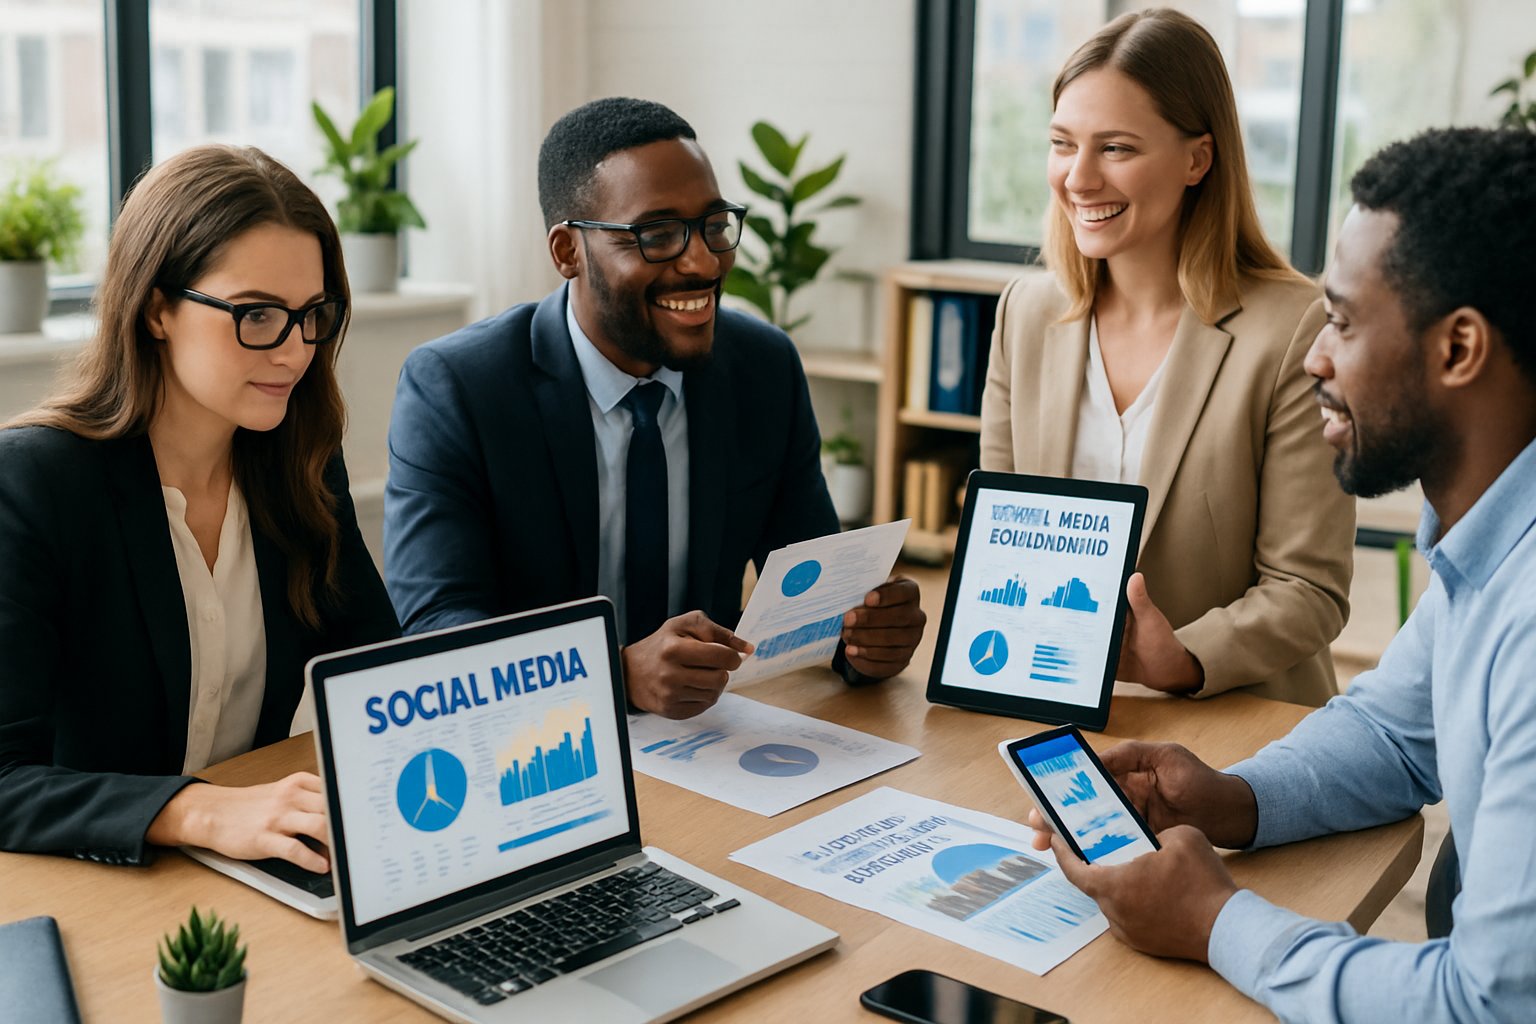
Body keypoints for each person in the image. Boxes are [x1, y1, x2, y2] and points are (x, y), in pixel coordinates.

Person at [1029, 126, 1536, 1021]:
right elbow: (1393, 734)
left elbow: (1485, 1007)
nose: (1315, 357)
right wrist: (1226, 797)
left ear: (1459, 349)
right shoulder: (1487, 533)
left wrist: (1214, 918)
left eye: (1342, 322)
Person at [384, 97, 925, 719]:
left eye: (713, 225)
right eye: (657, 235)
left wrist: (863, 639)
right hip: (535, 745)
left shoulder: (763, 368)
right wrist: (613, 675)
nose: (703, 262)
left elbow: (815, 592)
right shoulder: (457, 388)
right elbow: (436, 628)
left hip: (706, 740)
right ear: (567, 252)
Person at [0, 145, 399, 870]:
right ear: (157, 308)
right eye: (255, 315)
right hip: (105, 883)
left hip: (261, 871)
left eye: (312, 315)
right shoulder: (35, 484)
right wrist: (202, 810)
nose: (293, 351)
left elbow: (377, 672)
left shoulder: (300, 458)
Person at [978, 8, 1353, 706]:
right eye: (1063, 144)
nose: (1078, 179)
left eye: (1116, 148)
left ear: (1197, 159)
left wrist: (1181, 657)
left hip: (1232, 722)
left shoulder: (1294, 328)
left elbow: (1310, 590)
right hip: (1052, 706)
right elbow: (1000, 542)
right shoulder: (1024, 315)